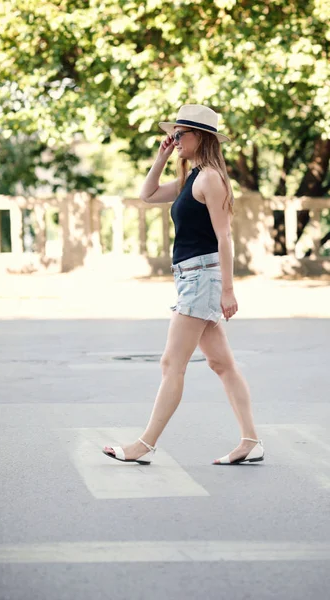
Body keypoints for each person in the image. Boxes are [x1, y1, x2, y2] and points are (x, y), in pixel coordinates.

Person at [103, 104, 264, 466]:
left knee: (171, 363)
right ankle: (251, 440)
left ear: (201, 137)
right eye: (173, 134)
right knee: (221, 364)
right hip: (192, 278)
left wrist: (228, 289)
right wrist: (160, 158)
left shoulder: (210, 179)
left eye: (180, 134)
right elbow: (147, 195)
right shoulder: (193, 178)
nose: (174, 140)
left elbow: (225, 238)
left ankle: (144, 444)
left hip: (203, 278)